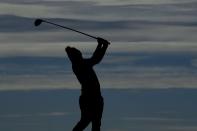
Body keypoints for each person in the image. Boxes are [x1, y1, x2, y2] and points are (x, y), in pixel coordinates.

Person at [65, 37, 110, 131]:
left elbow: (95, 58)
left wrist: (101, 45)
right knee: (87, 121)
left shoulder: (81, 63)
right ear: (76, 56)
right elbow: (95, 59)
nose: (80, 53)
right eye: (79, 53)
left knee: (94, 123)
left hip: (94, 97)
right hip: (89, 98)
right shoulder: (79, 65)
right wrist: (102, 45)